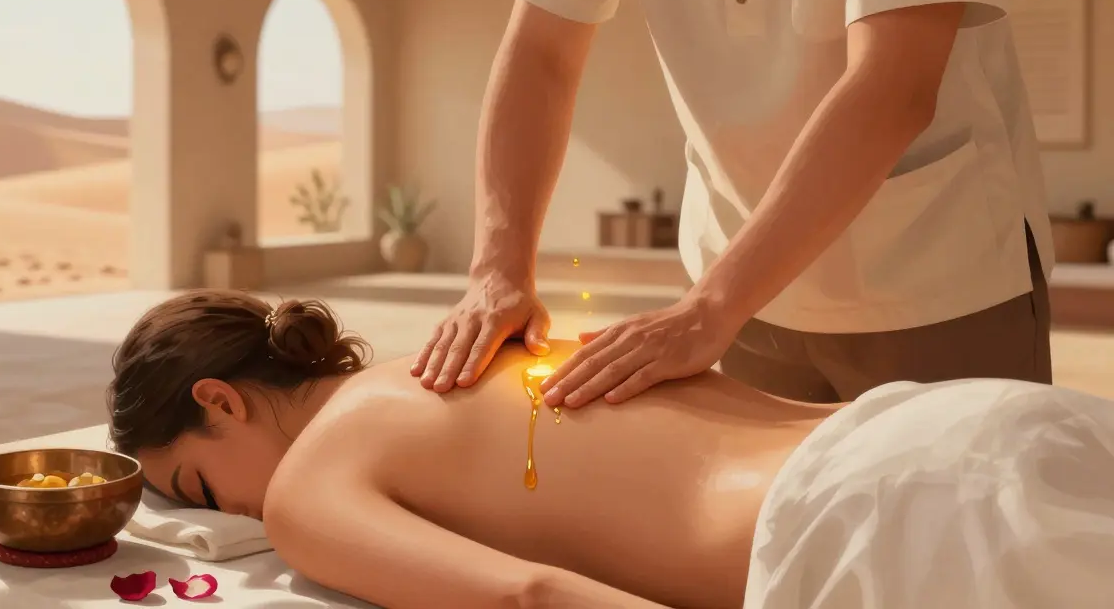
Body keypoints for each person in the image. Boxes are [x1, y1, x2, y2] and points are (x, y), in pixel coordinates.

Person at [414, 0, 1055, 407]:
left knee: (954, 526)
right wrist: (497, 270)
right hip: (739, 284)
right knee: (761, 528)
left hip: (937, 278)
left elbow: (894, 85)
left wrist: (707, 310)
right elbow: (541, 54)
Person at [107, 292, 1112, 609]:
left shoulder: (309, 488)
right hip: (959, 426)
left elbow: (528, 598)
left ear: (220, 401)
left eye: (199, 485)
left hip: (881, 535)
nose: (231, 514)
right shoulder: (481, 347)